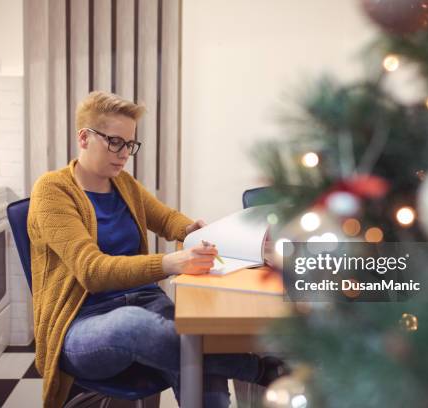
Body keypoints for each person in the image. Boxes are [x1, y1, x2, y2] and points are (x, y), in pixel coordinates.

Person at [27, 91, 286, 407]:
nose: (124, 154)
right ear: (84, 137)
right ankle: (260, 369)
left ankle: (251, 375)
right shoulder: (52, 190)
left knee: (197, 334)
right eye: (114, 142)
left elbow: (167, 219)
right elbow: (91, 271)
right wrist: (171, 262)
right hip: (80, 323)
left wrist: (192, 231)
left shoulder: (123, 183)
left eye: (129, 144)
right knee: (136, 326)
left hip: (145, 302)